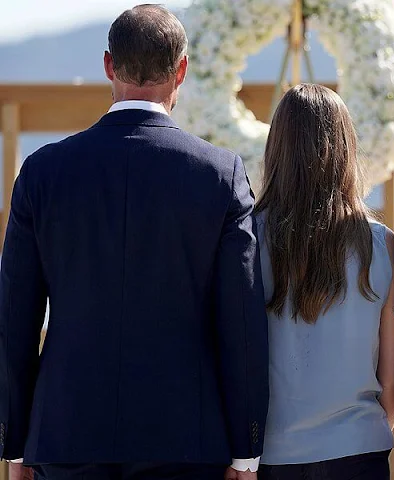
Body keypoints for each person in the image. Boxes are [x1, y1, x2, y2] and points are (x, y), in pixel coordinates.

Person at [0, 5, 269, 480]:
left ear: (109, 65)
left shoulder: (42, 172)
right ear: (181, 69)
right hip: (186, 438)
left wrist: (16, 445)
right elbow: (241, 321)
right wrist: (246, 453)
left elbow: (13, 320)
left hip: (66, 434)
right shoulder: (220, 175)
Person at [254, 84, 394, 480]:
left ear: (277, 149)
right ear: (345, 149)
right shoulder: (382, 245)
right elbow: (391, 375)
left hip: (270, 454)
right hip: (358, 448)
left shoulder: (248, 239)